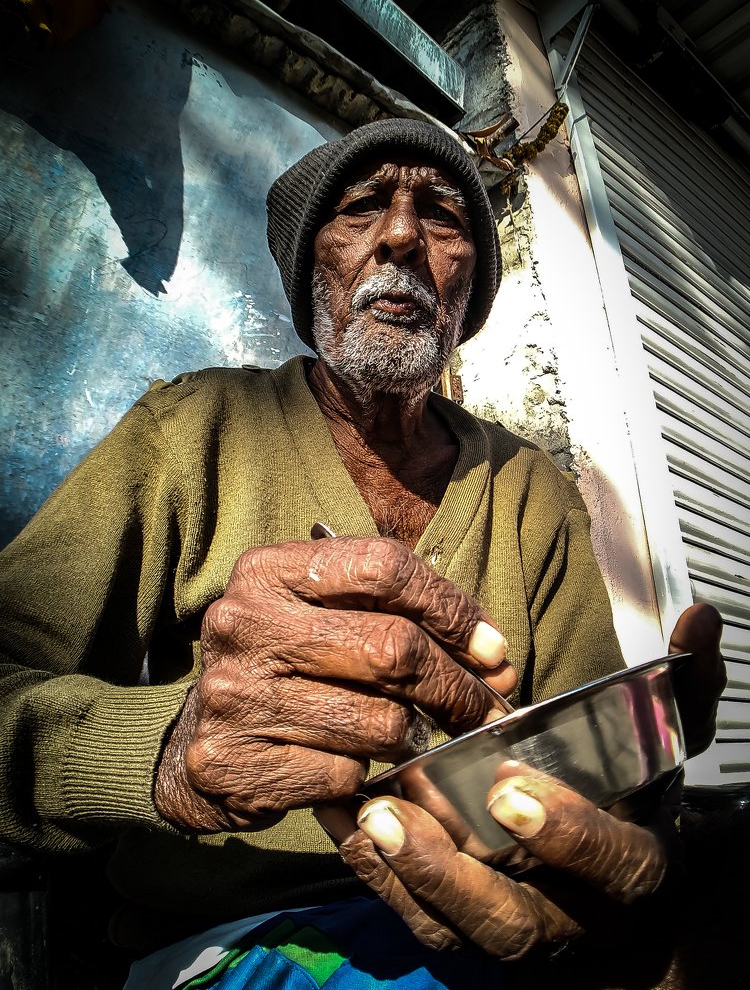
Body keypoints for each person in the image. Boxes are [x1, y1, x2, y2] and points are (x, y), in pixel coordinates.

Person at [0, 118, 725, 989]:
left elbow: (591, 773)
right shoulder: (189, 430)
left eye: (446, 216)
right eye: (361, 207)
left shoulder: (532, 490)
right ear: (310, 273)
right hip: (234, 936)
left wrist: (646, 775)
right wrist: (164, 752)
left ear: (471, 292)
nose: (404, 235)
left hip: (496, 930)